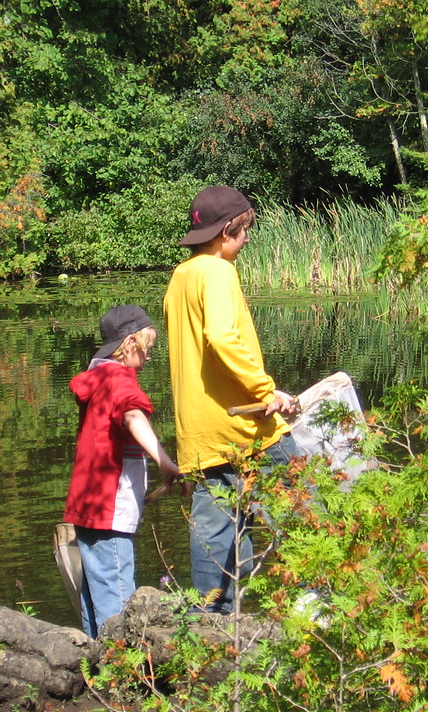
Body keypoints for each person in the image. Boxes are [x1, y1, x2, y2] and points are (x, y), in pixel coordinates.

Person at [163, 185, 300, 614]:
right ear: (228, 231)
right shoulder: (218, 272)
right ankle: (325, 622)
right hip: (246, 430)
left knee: (217, 545)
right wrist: (266, 391)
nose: (244, 244)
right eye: (244, 235)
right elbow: (221, 338)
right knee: (308, 522)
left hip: (200, 437)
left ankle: (213, 639)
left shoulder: (179, 277)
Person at [63, 304, 179, 637]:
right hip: (108, 512)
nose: (148, 358)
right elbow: (132, 416)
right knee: (117, 600)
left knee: (95, 599)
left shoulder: (98, 376)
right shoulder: (118, 381)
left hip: (88, 506)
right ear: (130, 344)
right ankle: (121, 676)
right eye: (148, 349)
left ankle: (94, 666)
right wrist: (165, 462)